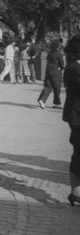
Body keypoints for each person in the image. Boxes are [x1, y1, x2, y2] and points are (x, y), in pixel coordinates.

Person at [62, 34, 80, 206]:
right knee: (78, 154)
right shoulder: (73, 68)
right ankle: (75, 191)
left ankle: (76, 191)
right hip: (77, 117)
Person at [37, 40, 65, 109]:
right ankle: (56, 104)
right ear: (58, 46)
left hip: (48, 71)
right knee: (57, 88)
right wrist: (62, 68)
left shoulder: (50, 53)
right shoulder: (59, 53)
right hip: (56, 72)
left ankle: (42, 100)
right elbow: (62, 64)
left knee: (47, 87)